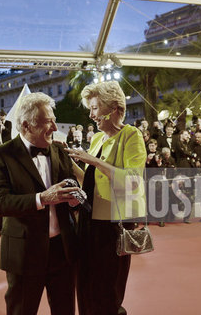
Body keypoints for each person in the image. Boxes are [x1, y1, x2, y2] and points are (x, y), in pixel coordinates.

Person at [0, 92, 81, 315]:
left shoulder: (59, 150)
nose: (55, 126)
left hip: (63, 251)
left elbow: (71, 193)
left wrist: (74, 200)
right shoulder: (1, 154)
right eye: (48, 121)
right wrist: (42, 198)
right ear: (26, 125)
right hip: (24, 253)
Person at [66, 81, 147, 315]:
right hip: (89, 222)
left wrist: (93, 161)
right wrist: (70, 163)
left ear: (113, 109)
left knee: (107, 289)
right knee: (85, 285)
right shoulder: (96, 140)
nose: (90, 115)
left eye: (94, 108)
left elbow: (133, 181)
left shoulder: (131, 135)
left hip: (114, 226)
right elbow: (90, 183)